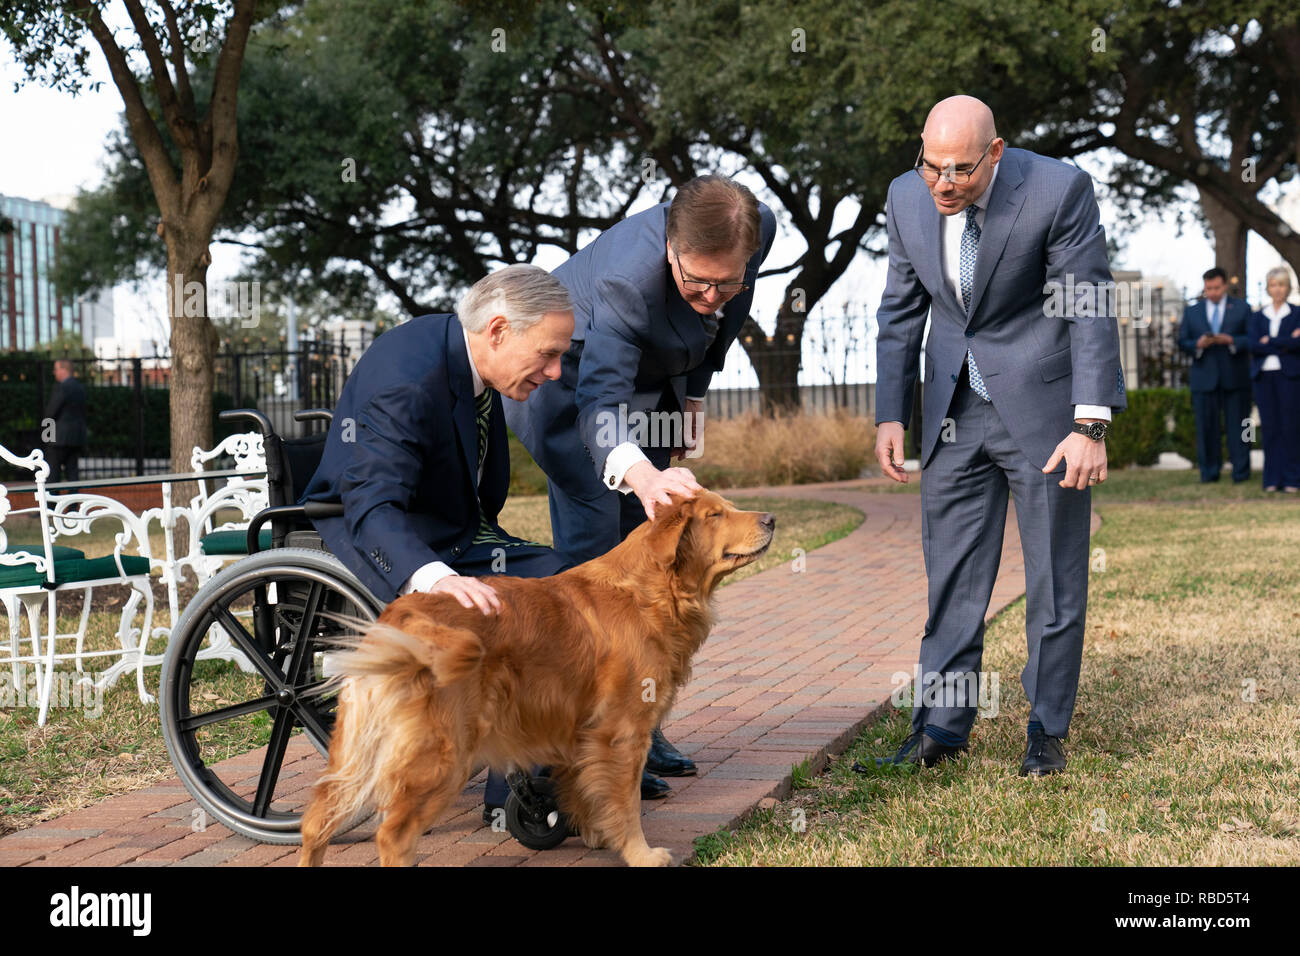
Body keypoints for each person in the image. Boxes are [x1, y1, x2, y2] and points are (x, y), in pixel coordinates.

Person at [870, 95, 1125, 776]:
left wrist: (1089, 423)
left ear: (996, 152)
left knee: (1052, 576)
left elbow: (1088, 303)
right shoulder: (904, 197)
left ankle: (1046, 730)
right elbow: (901, 309)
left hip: (1045, 416)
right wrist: (891, 413)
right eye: (932, 167)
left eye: (961, 170)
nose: (944, 184)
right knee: (951, 578)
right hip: (954, 411)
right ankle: (941, 731)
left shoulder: (1058, 190)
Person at [505, 174, 777, 793]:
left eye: (726, 282)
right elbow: (600, 402)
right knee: (601, 561)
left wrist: (695, 399)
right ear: (672, 251)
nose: (712, 296)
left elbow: (723, 321)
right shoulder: (627, 281)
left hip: (652, 387)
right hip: (571, 389)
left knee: (657, 552)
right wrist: (639, 471)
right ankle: (595, 746)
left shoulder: (749, 233)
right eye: (696, 282)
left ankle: (641, 722)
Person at [300, 264, 576, 822]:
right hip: (386, 532)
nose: (555, 370)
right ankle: (520, 792)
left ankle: (540, 771)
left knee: (565, 586)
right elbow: (372, 506)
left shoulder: (470, 363)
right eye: (548, 354)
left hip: (455, 528)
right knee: (536, 602)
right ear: (498, 330)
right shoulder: (407, 375)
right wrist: (435, 578)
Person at [1177, 267, 1253, 483]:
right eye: (1208, 288)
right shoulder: (1192, 312)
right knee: (1206, 428)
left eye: (1216, 287)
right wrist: (1198, 344)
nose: (1212, 292)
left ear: (1225, 285)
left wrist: (1232, 341)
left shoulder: (1242, 308)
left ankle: (1241, 472)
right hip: (1204, 379)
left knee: (1242, 427)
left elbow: (1252, 338)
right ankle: (1209, 473)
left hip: (1236, 379)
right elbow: (1182, 342)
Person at [1247, 266, 1300, 492]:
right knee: (1270, 427)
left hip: (1289, 376)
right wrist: (1285, 342)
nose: (1277, 289)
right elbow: (1252, 345)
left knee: (1291, 426)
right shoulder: (1258, 316)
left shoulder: (1297, 313)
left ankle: (1292, 479)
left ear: (1288, 288)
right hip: (1264, 377)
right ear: (1268, 288)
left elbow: (1298, 345)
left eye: (1281, 285)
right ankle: (1271, 479)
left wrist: (1271, 341)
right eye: (1273, 285)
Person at [44, 358, 87, 482]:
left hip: (58, 438)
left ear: (64, 370)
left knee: (53, 473)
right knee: (73, 473)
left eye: (56, 369)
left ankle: (53, 501)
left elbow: (50, 413)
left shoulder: (61, 387)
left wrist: (45, 436)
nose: (54, 372)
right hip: (76, 437)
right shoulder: (80, 388)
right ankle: (73, 501)